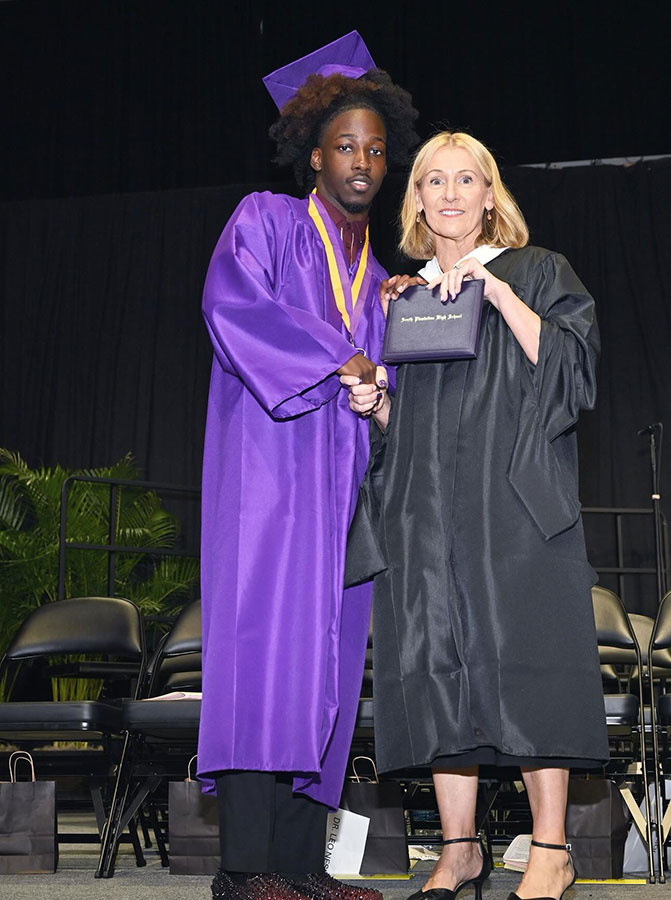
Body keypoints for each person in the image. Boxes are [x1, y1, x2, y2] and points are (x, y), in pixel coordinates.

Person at [344, 132, 609, 900]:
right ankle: (460, 849)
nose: (451, 193)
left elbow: (573, 372)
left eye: (467, 180)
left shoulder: (536, 270)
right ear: (417, 198)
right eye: (434, 180)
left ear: (491, 195)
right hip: (428, 515)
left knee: (526, 664)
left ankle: (551, 849)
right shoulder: (407, 295)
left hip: (513, 511)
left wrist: (495, 293)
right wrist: (380, 404)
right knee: (436, 667)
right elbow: (414, 428)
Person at [197, 32, 419, 900]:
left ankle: (298, 868)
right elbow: (231, 304)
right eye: (345, 146)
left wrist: (392, 363)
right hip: (269, 482)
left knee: (324, 668)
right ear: (313, 155)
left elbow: (394, 377)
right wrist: (341, 358)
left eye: (374, 148)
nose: (362, 160)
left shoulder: (380, 272)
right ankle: (244, 869)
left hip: (343, 496)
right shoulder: (267, 219)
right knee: (265, 658)